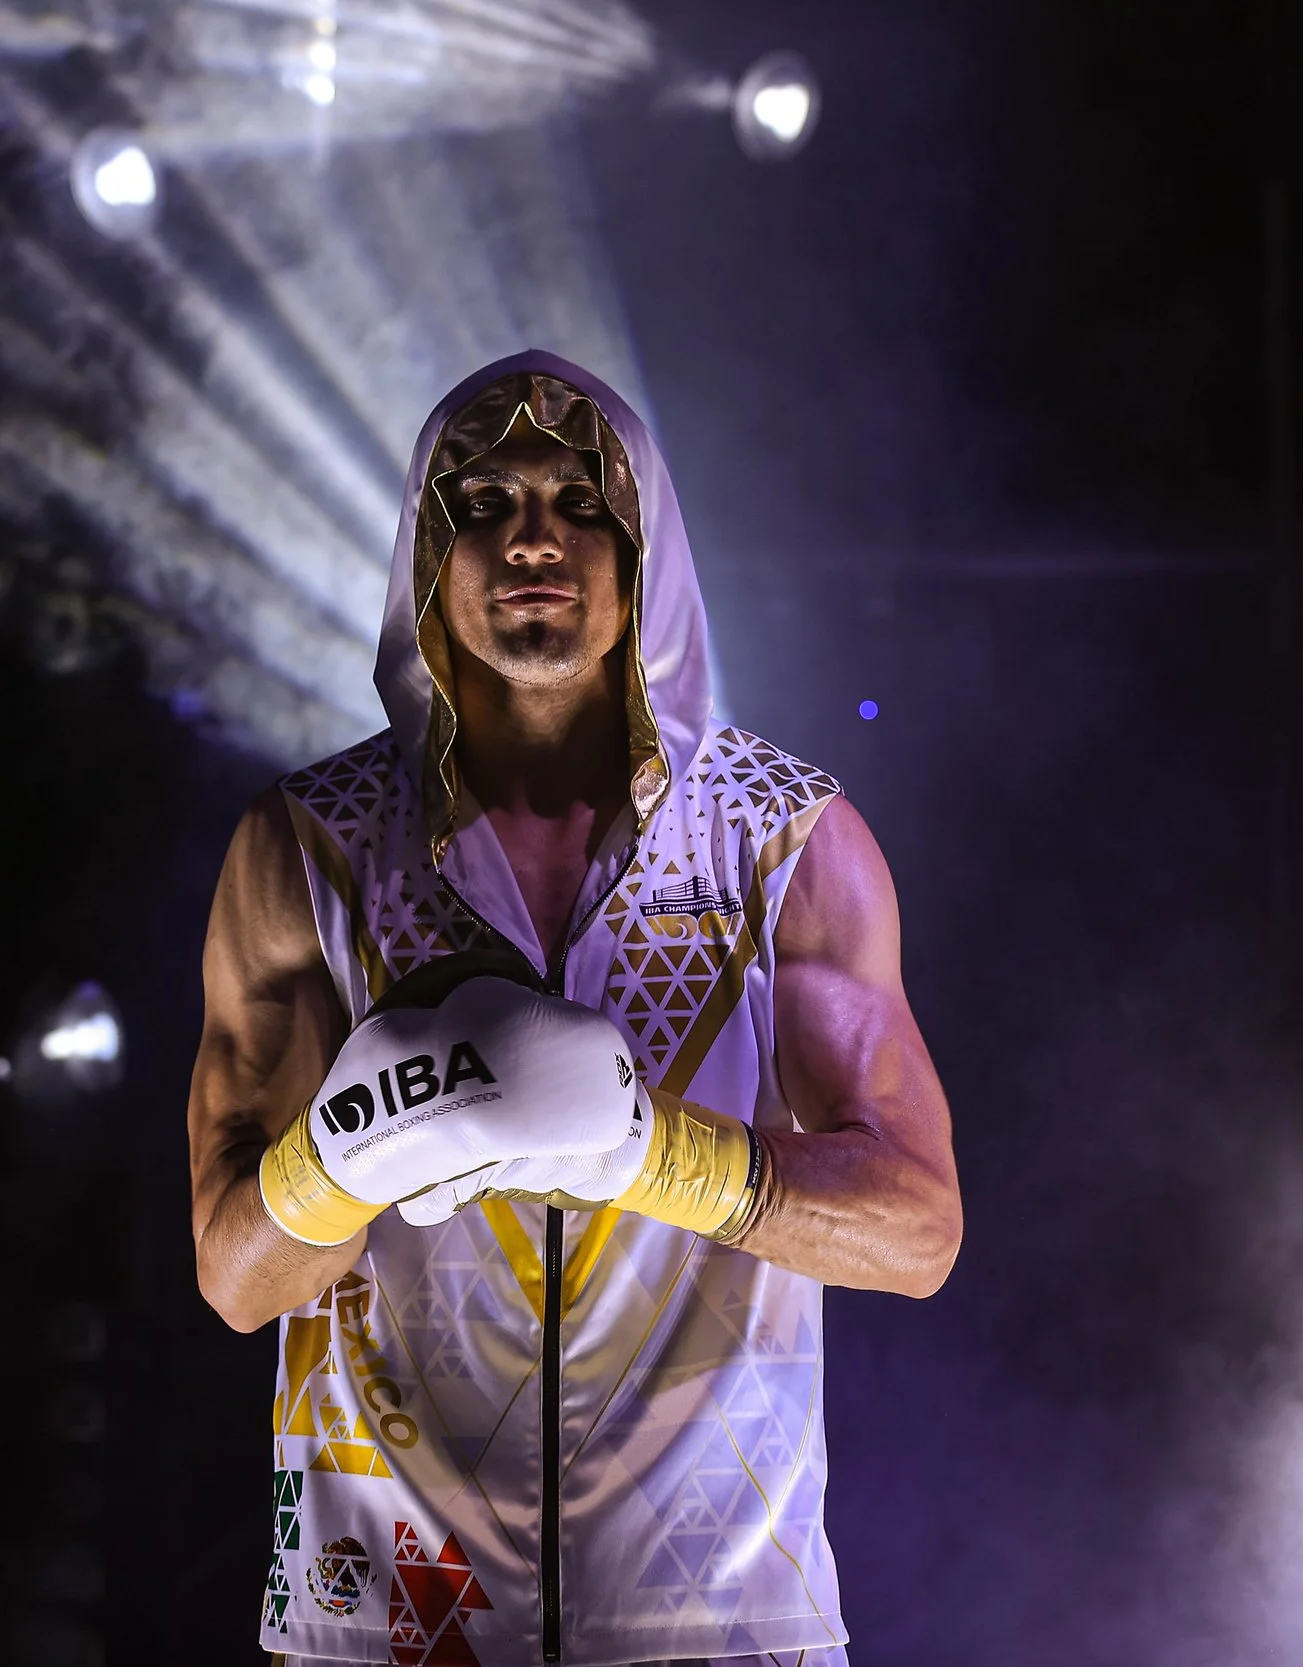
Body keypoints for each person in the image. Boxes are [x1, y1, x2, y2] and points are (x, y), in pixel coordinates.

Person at [189, 351, 961, 1667]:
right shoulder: (306, 847)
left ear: (642, 542)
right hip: (388, 1619)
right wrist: (356, 1143)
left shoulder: (789, 839)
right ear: (428, 554)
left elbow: (917, 1230)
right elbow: (235, 1274)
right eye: (483, 502)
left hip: (719, 1618)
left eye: (576, 499)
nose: (532, 535)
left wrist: (655, 1155)